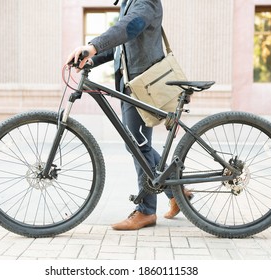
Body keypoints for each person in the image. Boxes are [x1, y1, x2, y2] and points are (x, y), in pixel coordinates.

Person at [66, 0, 192, 230]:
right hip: (133, 84)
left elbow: (129, 27)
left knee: (138, 144)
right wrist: (92, 59)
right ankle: (176, 191)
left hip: (144, 84)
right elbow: (120, 46)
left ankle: (146, 211)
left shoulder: (144, 1)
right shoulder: (129, 2)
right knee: (135, 143)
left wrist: (92, 45)